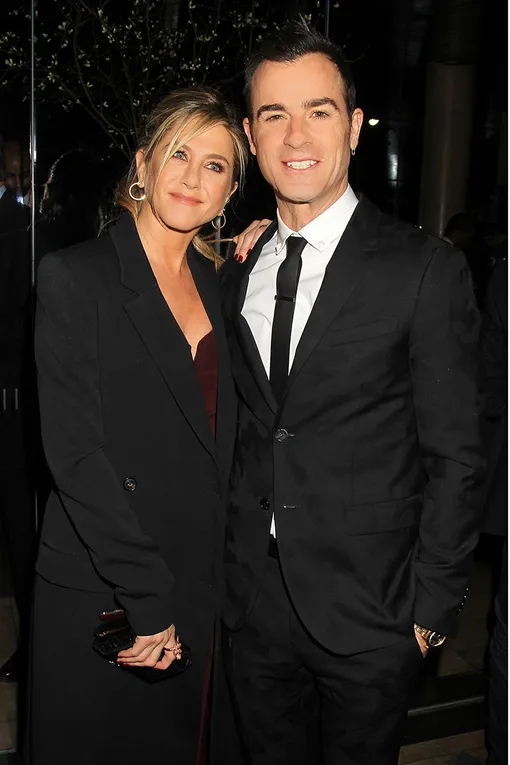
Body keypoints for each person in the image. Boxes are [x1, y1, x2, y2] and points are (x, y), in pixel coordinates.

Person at [220, 20, 484, 765]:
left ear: (356, 126)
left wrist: (432, 609)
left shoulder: (423, 268)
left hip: (375, 613)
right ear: (251, 136)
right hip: (252, 604)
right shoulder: (236, 267)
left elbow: (458, 455)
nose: (296, 134)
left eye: (320, 110)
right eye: (274, 114)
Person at [29, 87, 247, 765]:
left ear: (230, 192)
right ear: (143, 163)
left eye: (215, 165)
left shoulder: (227, 287)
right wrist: (148, 596)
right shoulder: (76, 277)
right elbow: (76, 456)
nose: (193, 176)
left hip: (202, 582)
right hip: (112, 584)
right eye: (178, 153)